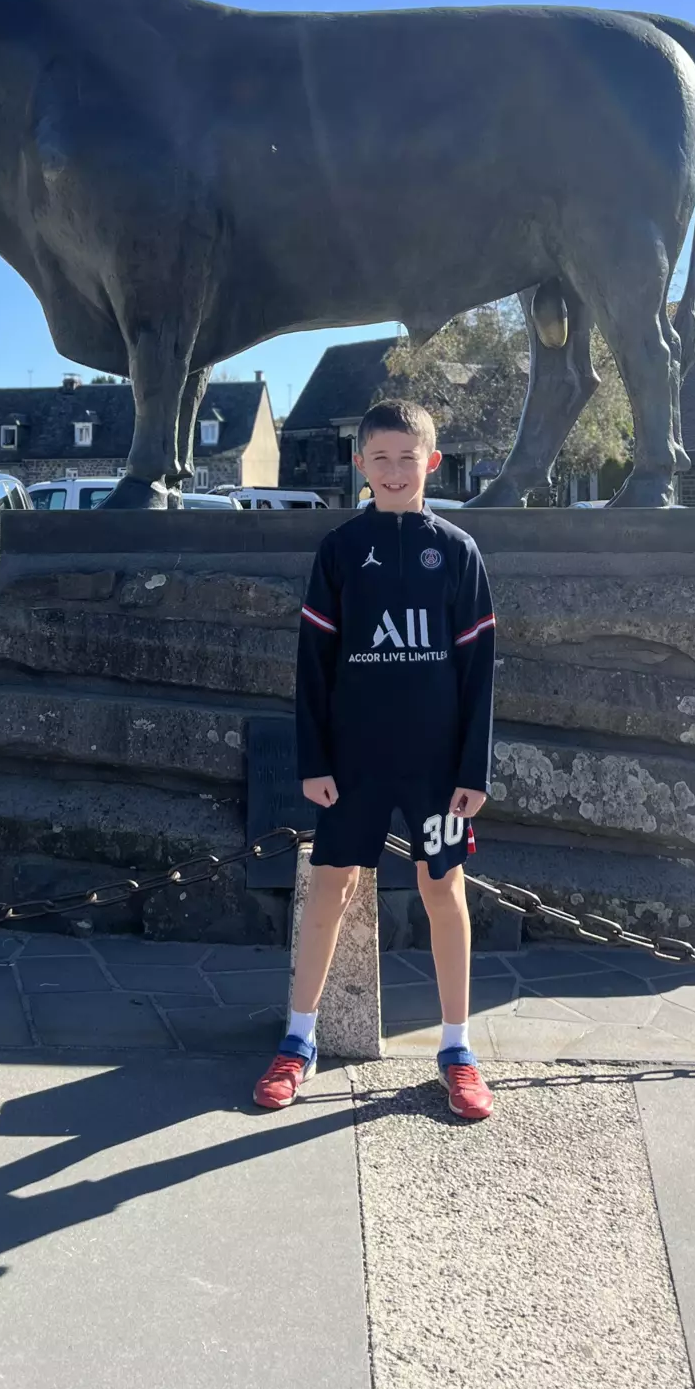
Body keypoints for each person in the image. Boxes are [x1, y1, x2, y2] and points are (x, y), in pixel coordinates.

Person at [253, 399, 496, 1121]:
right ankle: (298, 1040)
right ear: (360, 464)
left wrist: (471, 770)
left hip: (436, 767)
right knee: (330, 887)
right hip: (353, 760)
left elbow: (480, 669)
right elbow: (313, 665)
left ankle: (457, 1049)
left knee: (443, 890)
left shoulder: (456, 551)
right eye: (380, 458)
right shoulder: (338, 549)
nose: (394, 472)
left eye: (407, 458)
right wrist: (314, 758)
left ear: (432, 462)